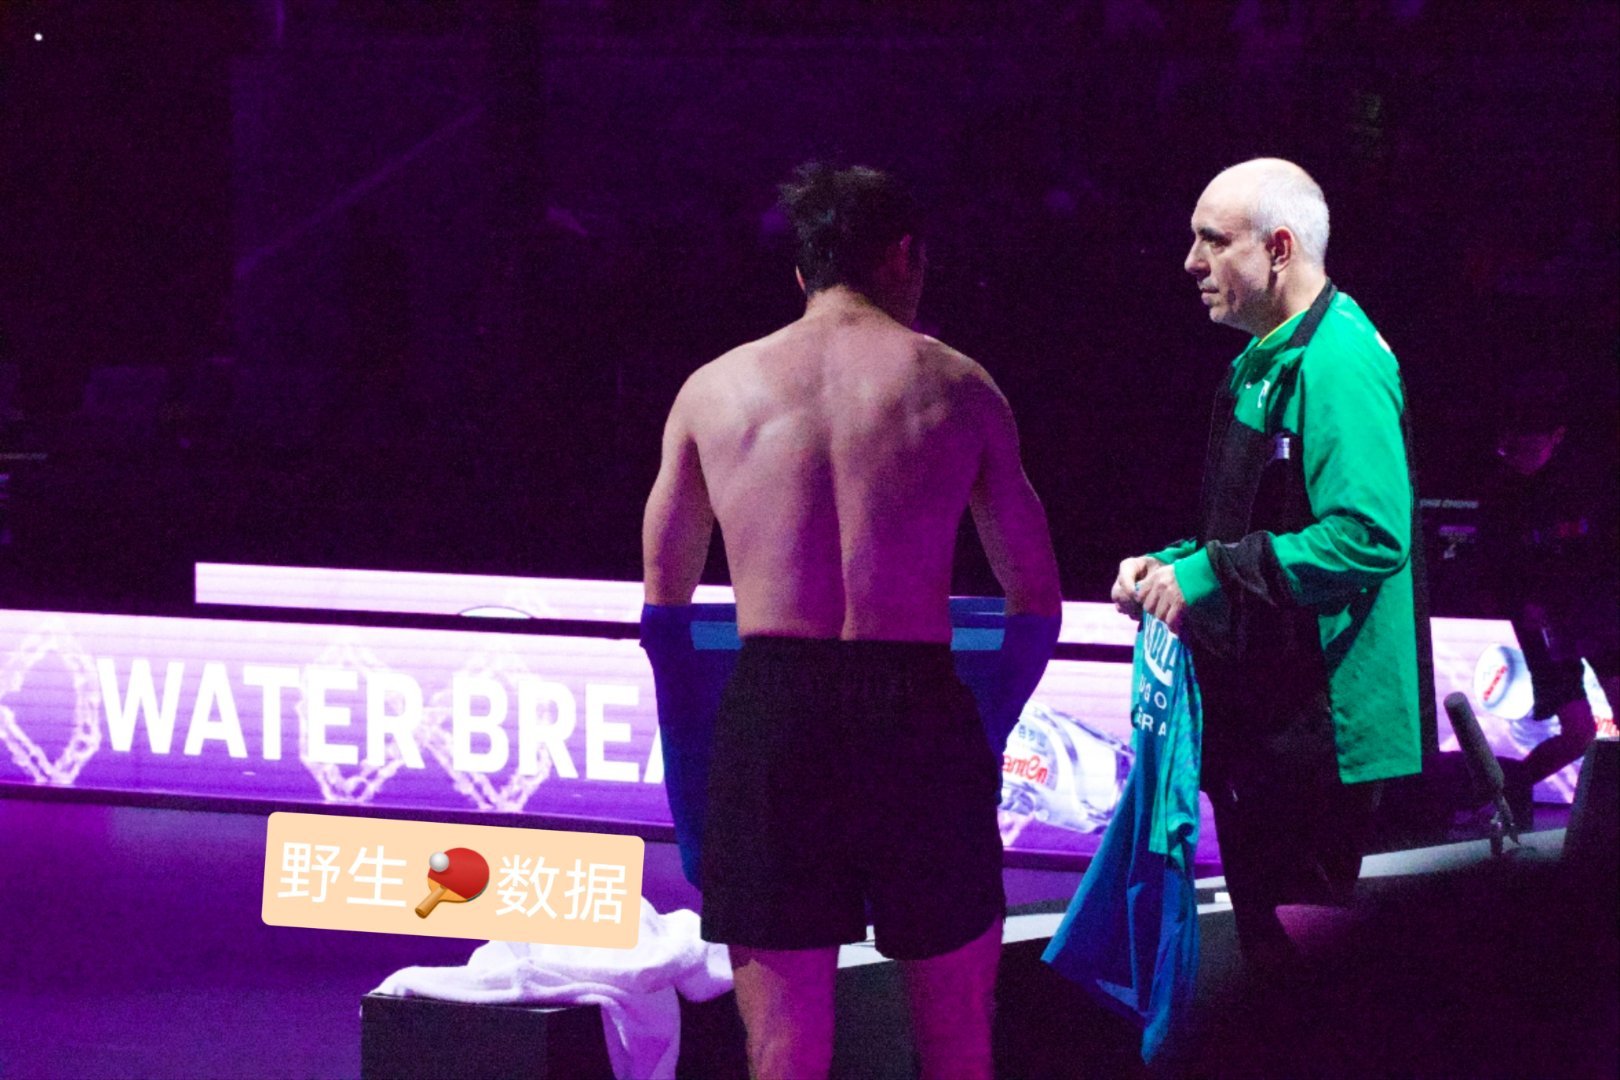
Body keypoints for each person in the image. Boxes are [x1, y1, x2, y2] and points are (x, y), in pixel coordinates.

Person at [642, 162, 1061, 1079]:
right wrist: (982, 724)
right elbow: (1035, 600)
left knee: (783, 1051)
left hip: (776, 710)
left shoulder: (712, 390)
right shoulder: (959, 386)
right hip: (916, 707)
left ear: (803, 271)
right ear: (905, 256)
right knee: (957, 1045)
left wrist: (702, 775)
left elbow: (664, 616)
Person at [1113, 158, 1424, 966]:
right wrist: (1170, 564)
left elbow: (1369, 536)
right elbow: (1256, 527)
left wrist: (1208, 575)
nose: (1191, 262)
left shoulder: (1337, 360)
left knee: (1301, 975)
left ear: (1279, 248)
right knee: (1271, 961)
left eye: (1213, 241)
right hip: (1267, 711)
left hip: (1322, 724)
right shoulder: (1260, 360)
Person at [1480, 378, 1619, 824]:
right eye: (1510, 446)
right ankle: (1504, 795)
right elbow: (1495, 565)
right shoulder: (1500, 493)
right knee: (1578, 733)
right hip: (1544, 625)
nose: (1515, 453)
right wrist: (1524, 603)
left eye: (1527, 445)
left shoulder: (1588, 482)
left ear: (1556, 437)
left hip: (1596, 614)